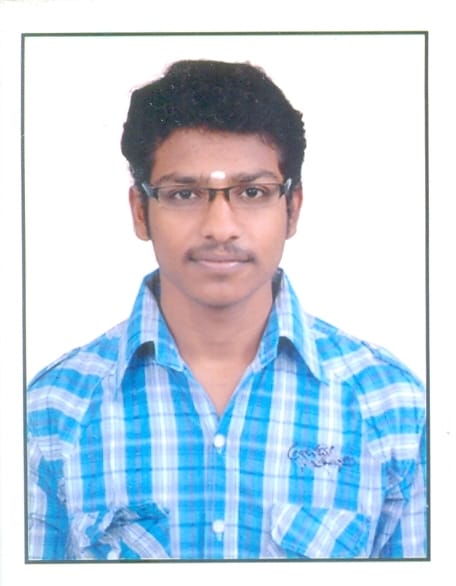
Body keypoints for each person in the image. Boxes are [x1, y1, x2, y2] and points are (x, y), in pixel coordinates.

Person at [27, 59, 427, 561]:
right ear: (140, 211)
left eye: (252, 192)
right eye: (184, 193)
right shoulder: (51, 411)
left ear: (293, 208)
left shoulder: (391, 407)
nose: (220, 227)